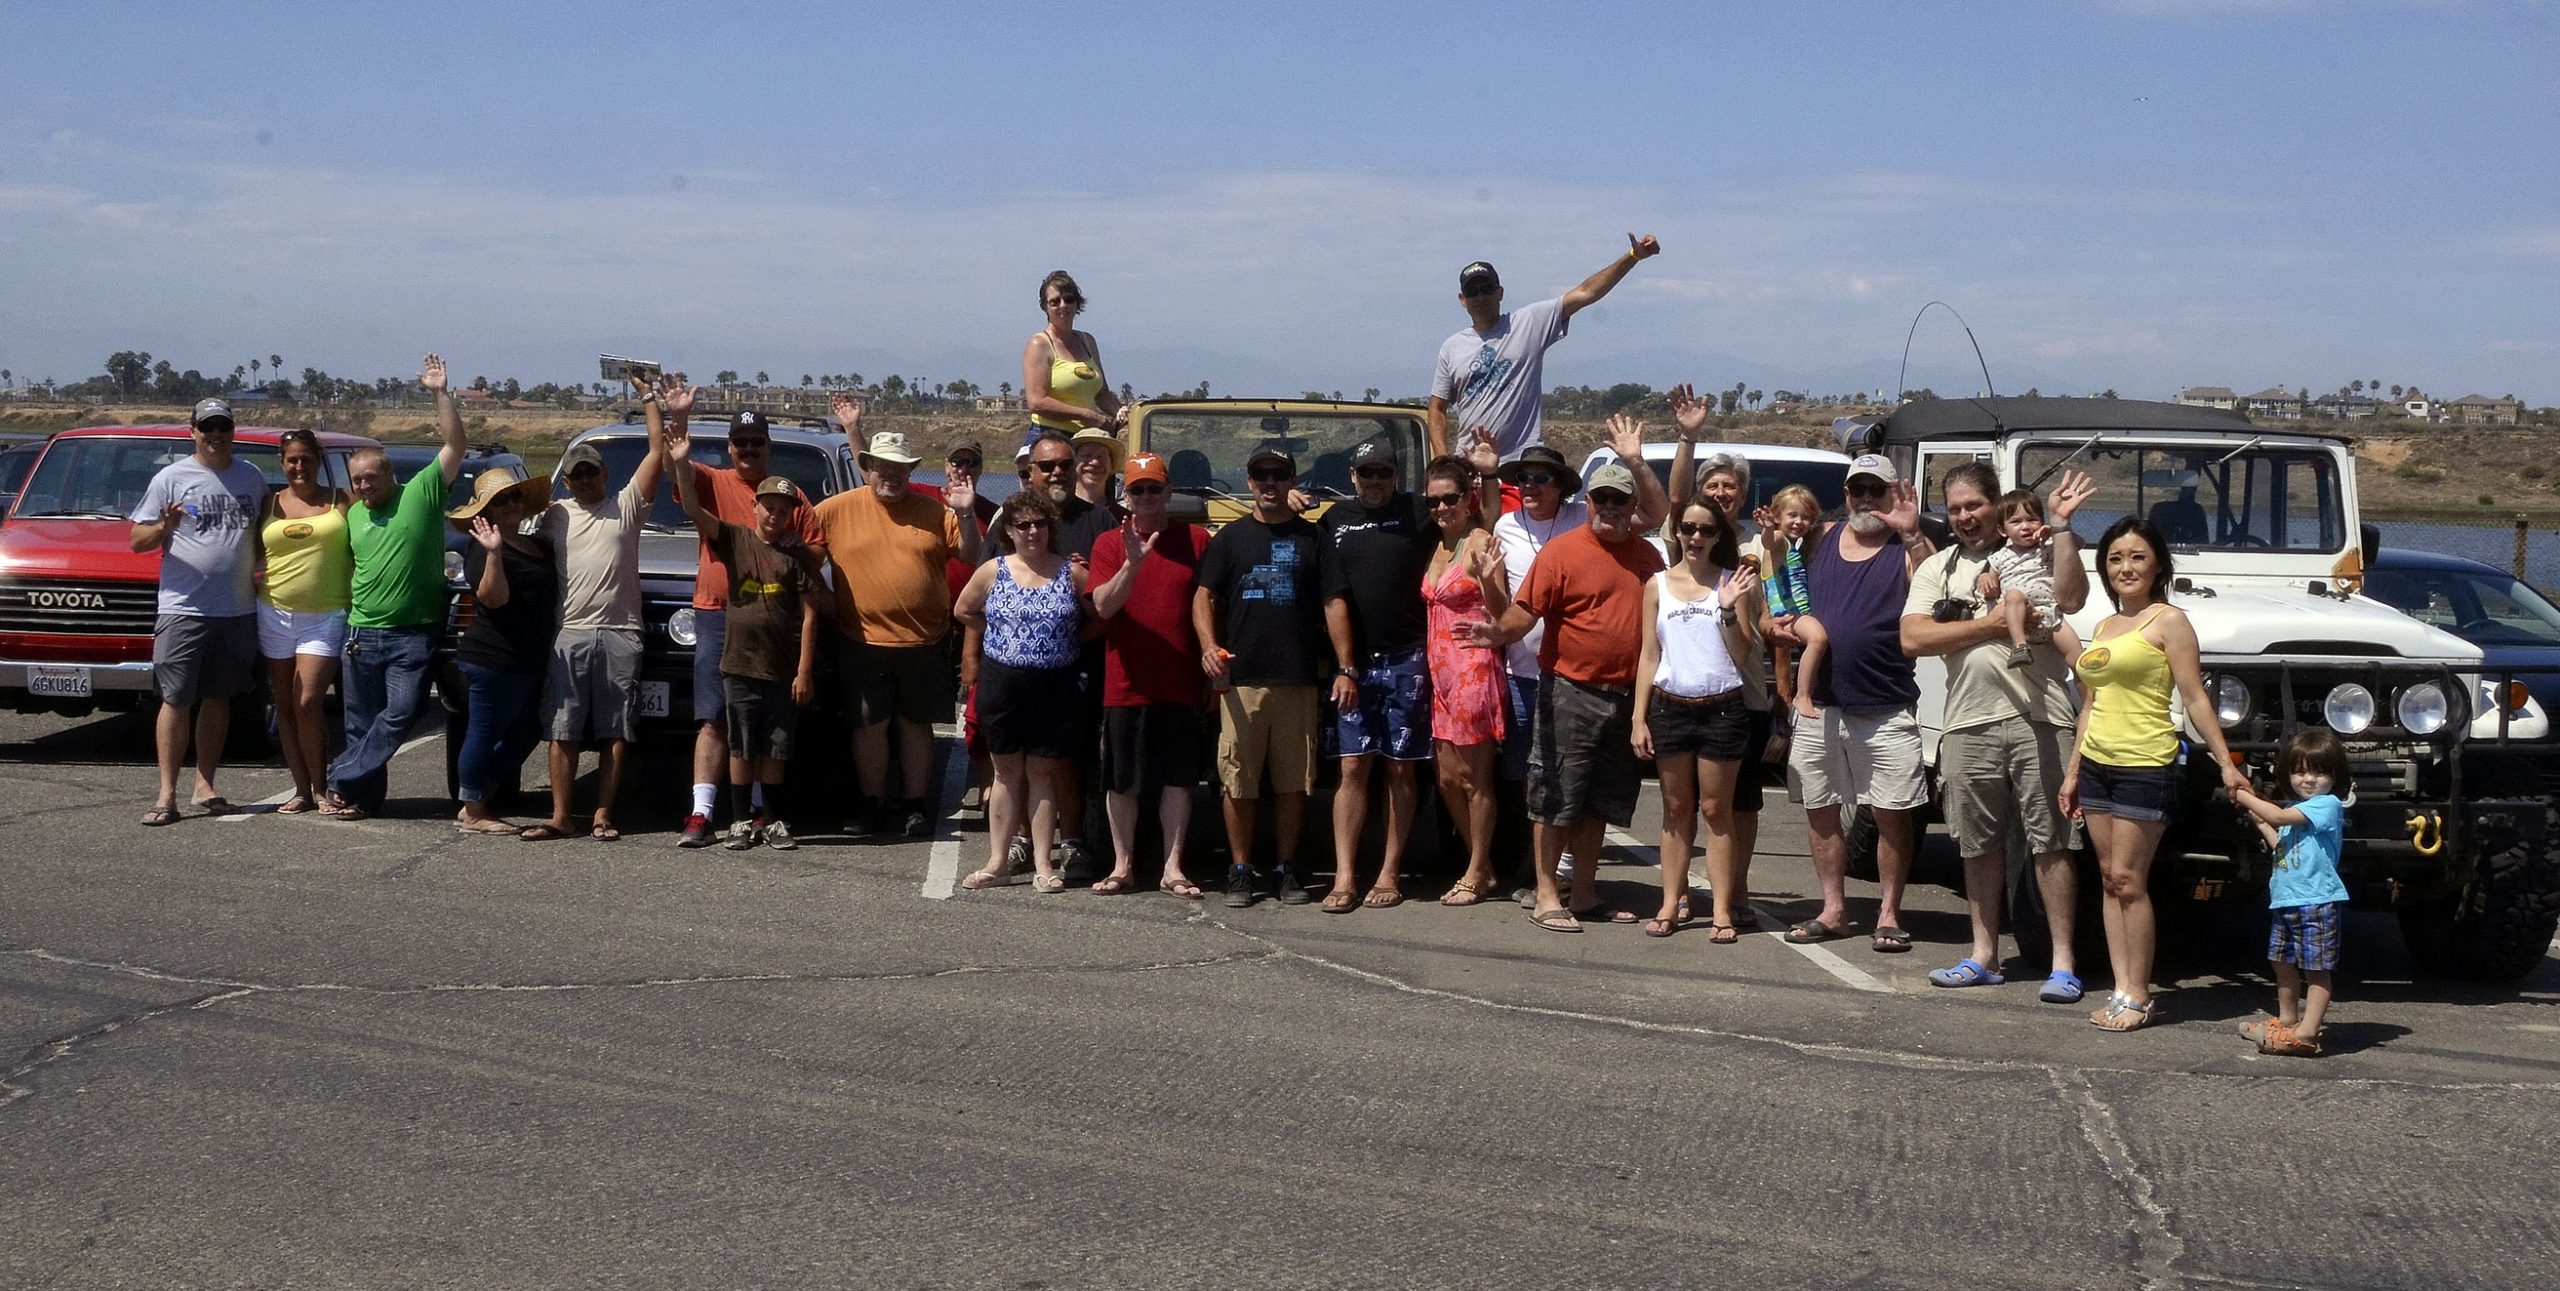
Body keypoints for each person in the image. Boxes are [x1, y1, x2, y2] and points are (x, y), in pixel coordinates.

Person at [1901, 463, 2097, 999]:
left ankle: (2062, 963)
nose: (1965, 517)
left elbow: (2073, 599)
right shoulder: (1938, 568)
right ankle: (1983, 954)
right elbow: (1913, 638)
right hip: (1967, 722)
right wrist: (1988, 625)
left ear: (1999, 506)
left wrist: (2058, 527)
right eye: (1956, 508)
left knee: (2052, 843)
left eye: (1975, 506)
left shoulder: (2041, 551)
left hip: (2044, 717)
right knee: (1977, 843)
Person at [2060, 517, 2249, 1031]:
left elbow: (2194, 697)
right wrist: (2073, 770)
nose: (2125, 567)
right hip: (2097, 764)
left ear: (2158, 564)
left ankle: (2139, 994)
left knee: (2130, 879)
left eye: (2137, 557)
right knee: (2106, 878)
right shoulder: (2104, 627)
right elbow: (2090, 704)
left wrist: (2226, 763)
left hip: (2147, 764)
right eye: (2116, 558)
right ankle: (2120, 989)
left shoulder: (2169, 622)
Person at [1474, 457, 1666, 931]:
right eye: (1600, 498)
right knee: (1555, 796)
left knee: (1598, 801)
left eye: (1619, 499)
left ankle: (1583, 893)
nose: (1608, 506)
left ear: (1631, 505)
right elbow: (1525, 613)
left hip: (1623, 697)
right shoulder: (1561, 553)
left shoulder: (1648, 558)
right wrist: (1497, 632)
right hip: (1567, 691)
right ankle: (1546, 895)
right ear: (1588, 502)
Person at [1766, 453, 1934, 953]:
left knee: (1890, 812)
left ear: (1892, 495)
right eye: (1857, 490)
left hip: (1885, 705)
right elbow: (1779, 591)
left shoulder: (1906, 548)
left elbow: (1937, 588)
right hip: (1820, 704)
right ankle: (1834, 909)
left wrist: (1911, 533)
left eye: (1875, 491)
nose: (1866, 499)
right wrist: (1773, 625)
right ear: (1845, 495)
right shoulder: (1818, 540)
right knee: (1820, 808)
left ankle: (1888, 912)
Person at [820, 396, 982, 837]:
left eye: (899, 468)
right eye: (881, 467)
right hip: (862, 640)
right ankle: (871, 804)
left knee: (916, 725)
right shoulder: (837, 509)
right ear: (868, 466)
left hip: (924, 641)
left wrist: (966, 515)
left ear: (911, 471)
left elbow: (970, 553)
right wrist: (821, 599)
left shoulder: (936, 511)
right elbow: (799, 553)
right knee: (869, 726)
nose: (889, 475)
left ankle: (913, 805)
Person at [525, 376, 674, 842]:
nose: (586, 480)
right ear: (565, 480)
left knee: (615, 730)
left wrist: (648, 396)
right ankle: (560, 816)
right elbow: (514, 540)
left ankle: (604, 813)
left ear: (605, 475)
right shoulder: (553, 516)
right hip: (568, 632)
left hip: (621, 632)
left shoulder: (627, 507)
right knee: (563, 729)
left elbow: (656, 450)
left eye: (592, 472)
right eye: (577, 474)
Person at [325, 355, 469, 820]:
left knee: (402, 715)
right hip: (361, 634)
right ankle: (361, 799)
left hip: (412, 635)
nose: (364, 485)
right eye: (357, 480)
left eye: (371, 477)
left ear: (390, 475)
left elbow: (455, 443)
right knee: (360, 723)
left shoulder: (422, 492)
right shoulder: (352, 515)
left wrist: (439, 392)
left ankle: (340, 774)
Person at [673, 407, 824, 848]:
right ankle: (703, 813)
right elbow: (688, 496)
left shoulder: (790, 494)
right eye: (740, 441)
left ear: (768, 447)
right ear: (729, 447)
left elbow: (817, 551)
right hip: (715, 614)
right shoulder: (713, 481)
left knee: (768, 727)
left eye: (757, 441)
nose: (748, 449)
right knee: (716, 718)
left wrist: (799, 549)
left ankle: (760, 812)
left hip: (777, 628)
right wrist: (678, 443)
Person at [1194, 441, 1329, 908]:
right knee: (1239, 780)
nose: (1270, 484)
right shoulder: (1229, 539)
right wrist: (1210, 647)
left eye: (1279, 475)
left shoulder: (1314, 538)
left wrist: (1344, 667)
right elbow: (1203, 597)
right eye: (1261, 476)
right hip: (1241, 680)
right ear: (1249, 482)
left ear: (1292, 481)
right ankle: (1239, 868)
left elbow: (1333, 603)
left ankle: (1286, 867)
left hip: (1297, 678)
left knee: (1294, 782)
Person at [1662, 385, 1775, 927]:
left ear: (1743, 495)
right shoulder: (1688, 539)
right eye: (1713, 487)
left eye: (1730, 488)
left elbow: (1776, 620)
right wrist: (1688, 438)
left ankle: (1737, 891)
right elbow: (1677, 498)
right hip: (1686, 691)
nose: (1721, 495)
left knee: (1741, 801)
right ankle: (1678, 892)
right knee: (1683, 806)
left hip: (1745, 691)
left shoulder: (1758, 548)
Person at [1317, 437, 1445, 912]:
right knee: (1352, 766)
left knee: (1401, 768)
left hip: (1410, 658)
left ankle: (1390, 872)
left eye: (1383, 474)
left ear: (1397, 476)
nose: (1374, 482)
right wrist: (1345, 666)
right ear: (1352, 475)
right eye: (1366, 473)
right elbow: (1332, 596)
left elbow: (1472, 516)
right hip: (1353, 666)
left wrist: (1486, 471)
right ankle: (1345, 876)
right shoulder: (1333, 519)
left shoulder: (1420, 512)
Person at [128, 397, 269, 825]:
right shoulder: (171, 478)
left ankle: (204, 786)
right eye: (207, 427)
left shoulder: (252, 477)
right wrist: (163, 527)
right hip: (183, 609)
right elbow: (137, 541)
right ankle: (166, 794)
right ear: (192, 432)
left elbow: (263, 533)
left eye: (222, 427)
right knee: (175, 699)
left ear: (233, 431)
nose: (215, 435)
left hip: (237, 609)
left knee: (219, 698)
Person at [1631, 498, 1761, 941]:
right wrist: (1638, 717)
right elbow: (1650, 654)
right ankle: (1670, 901)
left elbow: (1742, 654)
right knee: (1675, 809)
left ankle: (1722, 910)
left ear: (1719, 536)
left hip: (1721, 708)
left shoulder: (1731, 582)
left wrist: (1727, 608)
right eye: (1688, 528)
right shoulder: (1656, 586)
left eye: (1706, 530)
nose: (1696, 538)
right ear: (1678, 532)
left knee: (1715, 810)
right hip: (1670, 706)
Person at [1088, 451, 1211, 897]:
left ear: (1168, 492)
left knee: (1177, 780)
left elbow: (1210, 605)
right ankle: (1123, 867)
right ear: (1125, 496)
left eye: (1153, 489)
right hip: (1126, 683)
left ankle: (1172, 867)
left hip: (1179, 682)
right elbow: (1102, 606)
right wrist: (1132, 563)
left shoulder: (1197, 540)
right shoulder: (1108, 543)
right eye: (1136, 490)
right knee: (1121, 781)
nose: (1145, 497)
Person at [956, 489, 1088, 892]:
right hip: (1003, 683)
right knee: (1006, 772)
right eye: (1024, 525)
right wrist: (999, 634)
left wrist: (1069, 639)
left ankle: (1044, 864)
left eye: (1041, 523)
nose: (1033, 531)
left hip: (1054, 686)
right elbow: (963, 609)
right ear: (1010, 531)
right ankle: (997, 861)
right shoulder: (993, 570)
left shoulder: (1071, 571)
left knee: (1043, 773)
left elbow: (1099, 615)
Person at [1426, 234, 1660, 460]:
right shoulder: (1451, 347)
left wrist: (1632, 256)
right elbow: (1437, 408)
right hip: (1469, 467)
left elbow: (1586, 292)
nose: (1480, 297)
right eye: (1472, 291)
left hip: (1518, 468)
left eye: (1486, 289)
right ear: (1462, 299)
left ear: (1500, 293)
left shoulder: (1528, 323)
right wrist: (1442, 459)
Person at [1418, 454, 1510, 907]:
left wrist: (1491, 580)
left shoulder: (1479, 544)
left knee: (1476, 781)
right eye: (1433, 501)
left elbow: (1502, 609)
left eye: (1449, 499)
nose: (1441, 508)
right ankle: (1484, 865)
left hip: (1473, 670)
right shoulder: (1437, 545)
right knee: (1448, 780)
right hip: (1440, 676)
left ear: (1467, 497)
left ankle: (1475, 871)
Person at [446, 467, 558, 835]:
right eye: (500, 500)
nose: (510, 504)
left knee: (528, 729)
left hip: (529, 659)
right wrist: (494, 553)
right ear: (487, 511)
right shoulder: (481, 548)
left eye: (514, 497)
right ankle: (475, 810)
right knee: (483, 729)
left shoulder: (537, 544)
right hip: (493, 658)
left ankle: (477, 792)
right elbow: (494, 598)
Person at [2232, 730, 2350, 1057]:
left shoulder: (2326, 805)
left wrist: (2244, 796)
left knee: (2316, 967)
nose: (2309, 779)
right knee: (2281, 960)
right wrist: (2261, 822)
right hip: (2287, 900)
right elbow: (2282, 848)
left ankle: (2308, 1033)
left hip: (2315, 900)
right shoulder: (2296, 808)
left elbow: (2280, 816)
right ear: (2288, 774)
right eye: (2300, 771)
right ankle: (2288, 1020)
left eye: (2318, 772)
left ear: (2334, 775)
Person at [254, 427, 349, 817]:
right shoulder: (268, 503)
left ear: (318, 462)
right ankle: (301, 790)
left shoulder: (341, 501)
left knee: (308, 700)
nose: (299, 467)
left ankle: (323, 787)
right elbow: (248, 550)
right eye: (292, 460)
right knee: (285, 705)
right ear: (282, 463)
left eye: (306, 459)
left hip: (326, 615)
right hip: (273, 612)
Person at [1983, 489, 2083, 671]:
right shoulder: (1999, 556)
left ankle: (2088, 699)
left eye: (2032, 519)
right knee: (2013, 596)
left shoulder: (2048, 545)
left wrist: (2055, 533)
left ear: (2041, 522)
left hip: (2052, 617)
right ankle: (2020, 646)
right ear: (2002, 530)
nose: (2025, 526)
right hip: (2021, 617)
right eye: (2016, 521)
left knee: (2079, 661)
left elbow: (2076, 544)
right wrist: (1985, 579)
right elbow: (1991, 578)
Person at [1022, 270, 1127, 440]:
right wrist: (1085, 415)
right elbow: (1037, 402)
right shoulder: (1039, 344)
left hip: (1085, 438)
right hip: (1049, 436)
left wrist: (1119, 410)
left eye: (1069, 299)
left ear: (1077, 304)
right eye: (1055, 301)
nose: (1063, 305)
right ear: (1045, 307)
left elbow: (1101, 393)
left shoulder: (1087, 341)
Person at [1760, 486, 1825, 717]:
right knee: (1818, 638)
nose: (1799, 521)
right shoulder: (1780, 540)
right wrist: (1768, 529)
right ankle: (1803, 695)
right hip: (1787, 614)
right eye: (1792, 515)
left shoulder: (1798, 546)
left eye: (1806, 517)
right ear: (1777, 516)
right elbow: (1769, 542)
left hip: (1800, 613)